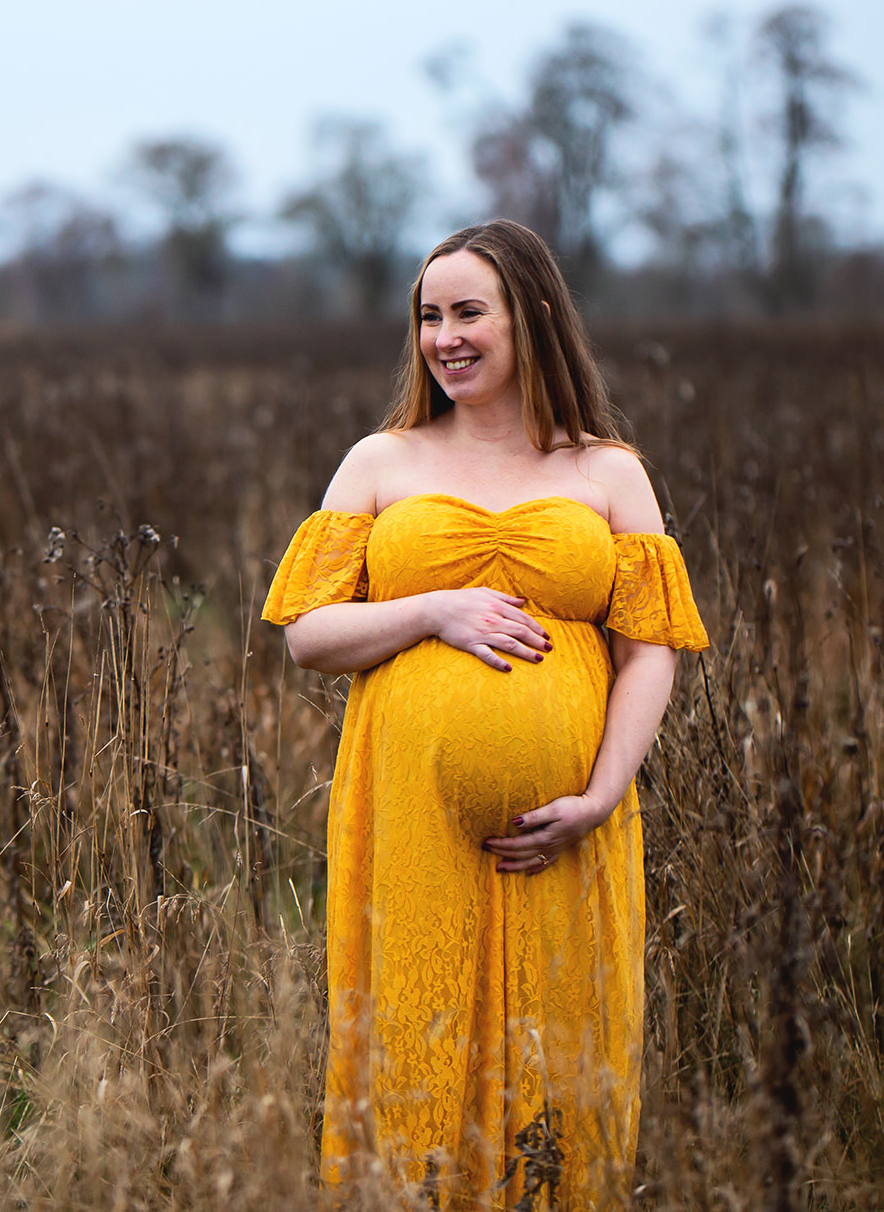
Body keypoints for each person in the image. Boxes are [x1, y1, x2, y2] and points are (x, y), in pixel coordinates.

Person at [263, 220, 709, 1206]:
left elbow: (648, 652)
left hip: (568, 829)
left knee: (560, 1064)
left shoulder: (606, 472)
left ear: (532, 317)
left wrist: (600, 794)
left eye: (468, 311)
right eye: (428, 316)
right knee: (413, 1051)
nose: (444, 336)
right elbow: (305, 634)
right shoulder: (382, 461)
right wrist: (430, 609)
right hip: (409, 820)